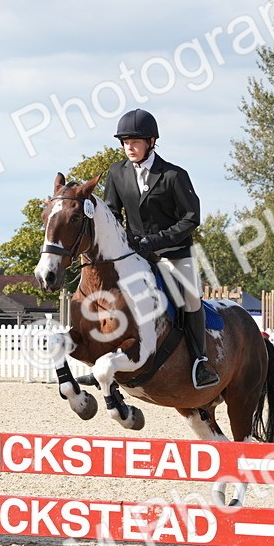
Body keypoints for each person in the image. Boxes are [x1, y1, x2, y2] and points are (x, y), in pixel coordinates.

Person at [101, 108, 219, 389]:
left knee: (190, 299)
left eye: (135, 142)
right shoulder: (117, 172)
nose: (129, 147)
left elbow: (191, 218)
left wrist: (154, 241)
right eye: (125, 142)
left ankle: (200, 362)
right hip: (133, 254)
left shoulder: (173, 175)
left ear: (151, 142)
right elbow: (112, 212)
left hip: (174, 253)